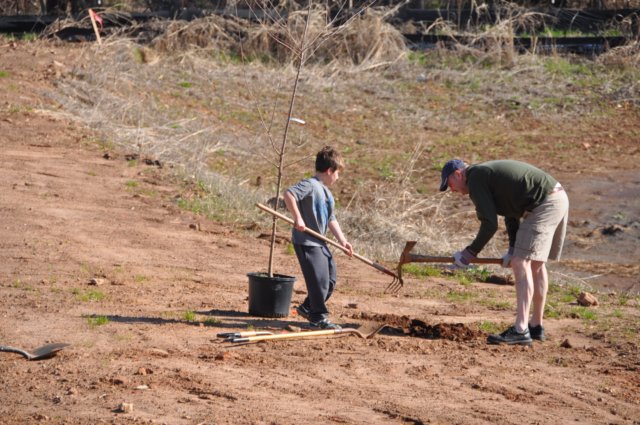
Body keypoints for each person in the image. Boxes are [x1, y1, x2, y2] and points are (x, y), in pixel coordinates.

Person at [439, 159, 569, 345]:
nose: (452, 190)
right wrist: (513, 247)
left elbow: (490, 224)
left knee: (520, 262)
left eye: (450, 184)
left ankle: (520, 330)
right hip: (556, 197)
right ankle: (535, 326)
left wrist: (469, 254)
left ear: (458, 174)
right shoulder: (486, 175)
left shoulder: (475, 177)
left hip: (544, 203)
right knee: (535, 264)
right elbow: (511, 212)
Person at [284, 146, 353, 330]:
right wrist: (298, 218)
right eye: (337, 173)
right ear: (329, 171)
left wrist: (343, 241)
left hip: (319, 242)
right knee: (319, 280)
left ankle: (308, 307)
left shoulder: (327, 193)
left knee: (329, 280)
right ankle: (318, 317)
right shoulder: (310, 185)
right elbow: (289, 194)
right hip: (306, 241)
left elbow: (331, 219)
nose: (338, 177)